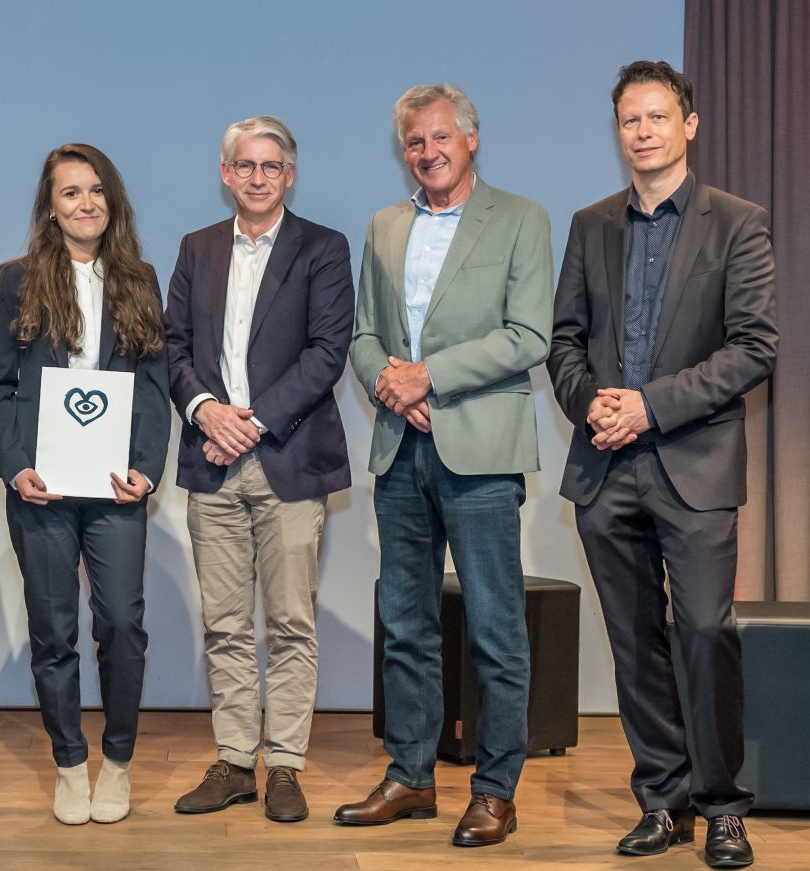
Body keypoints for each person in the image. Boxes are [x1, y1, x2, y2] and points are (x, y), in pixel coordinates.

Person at [548, 60, 776, 869]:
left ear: (689, 124)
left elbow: (754, 347)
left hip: (696, 463)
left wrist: (650, 405)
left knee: (706, 630)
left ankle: (723, 807)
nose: (642, 132)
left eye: (656, 117)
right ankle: (663, 799)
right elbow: (564, 342)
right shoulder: (592, 224)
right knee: (634, 641)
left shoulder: (737, 222)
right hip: (606, 467)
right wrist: (593, 405)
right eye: (629, 120)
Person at [335, 83, 552, 847]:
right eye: (414, 142)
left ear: (471, 138)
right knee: (405, 623)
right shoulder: (384, 224)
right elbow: (364, 335)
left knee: (495, 626)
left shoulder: (521, 218)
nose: (427, 152)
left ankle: (495, 790)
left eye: (439, 137)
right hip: (401, 446)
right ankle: (411, 776)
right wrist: (390, 384)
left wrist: (429, 377)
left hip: (482, 450)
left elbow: (529, 335)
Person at [164, 115, 354, 823]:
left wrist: (249, 424)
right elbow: (172, 345)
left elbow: (326, 353)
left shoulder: (323, 248)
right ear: (225, 173)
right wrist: (206, 410)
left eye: (271, 166)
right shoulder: (197, 248)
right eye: (244, 165)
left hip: (288, 460)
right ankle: (236, 761)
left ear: (290, 175)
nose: (258, 177)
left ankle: (286, 766)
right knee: (225, 624)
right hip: (211, 462)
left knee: (290, 623)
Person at [0, 144, 169, 825]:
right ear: (50, 207)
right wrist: (15, 465)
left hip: (117, 488)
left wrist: (147, 467)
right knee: (54, 630)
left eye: (96, 190)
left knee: (120, 623)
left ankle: (117, 762)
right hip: (42, 487)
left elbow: (154, 386)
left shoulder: (139, 279)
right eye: (70, 192)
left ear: (111, 201)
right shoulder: (17, 280)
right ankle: (68, 763)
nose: (86, 203)